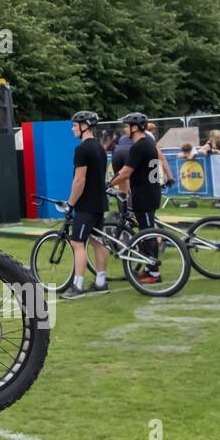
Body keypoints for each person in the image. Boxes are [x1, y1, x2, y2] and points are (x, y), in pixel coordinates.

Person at [60, 111, 109, 300]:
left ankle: (78, 285)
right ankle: (101, 282)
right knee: (97, 242)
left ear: (85, 125)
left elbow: (79, 180)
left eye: (75, 124)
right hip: (99, 203)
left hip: (86, 204)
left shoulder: (82, 150)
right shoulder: (99, 148)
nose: (73, 128)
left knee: (77, 242)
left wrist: (70, 203)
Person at [109, 112, 163, 283]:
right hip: (150, 192)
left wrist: (108, 184)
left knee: (148, 233)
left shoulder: (139, 146)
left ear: (135, 128)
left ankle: (154, 273)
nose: (124, 128)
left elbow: (125, 172)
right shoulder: (149, 143)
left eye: (126, 125)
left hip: (144, 195)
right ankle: (148, 267)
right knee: (146, 231)